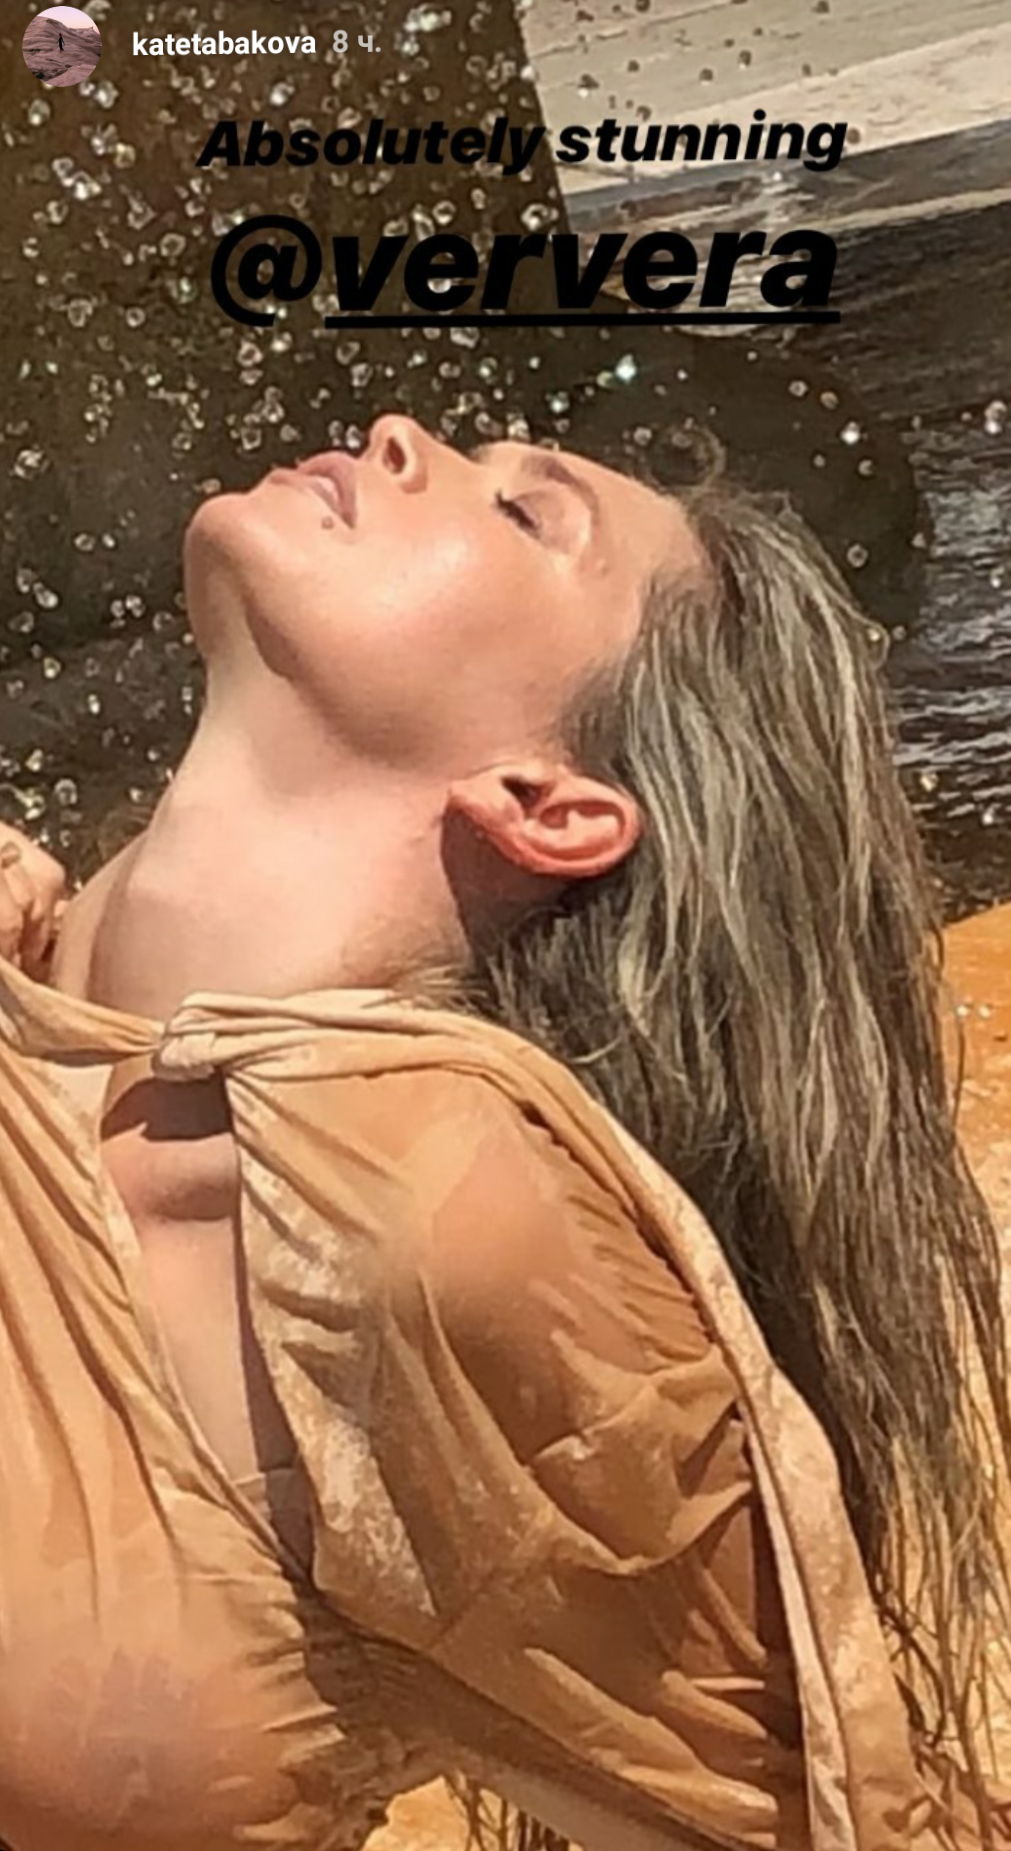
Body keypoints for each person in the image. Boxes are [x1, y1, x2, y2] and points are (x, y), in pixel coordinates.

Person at [0, 412, 1009, 1851]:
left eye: (528, 515)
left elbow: (837, 1822)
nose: (399, 434)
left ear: (550, 808)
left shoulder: (441, 1227)